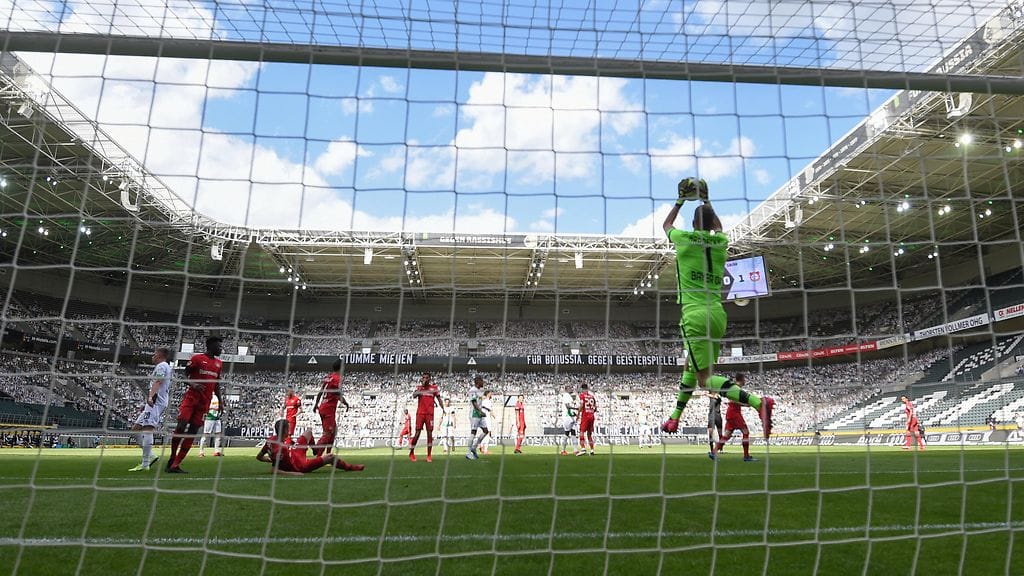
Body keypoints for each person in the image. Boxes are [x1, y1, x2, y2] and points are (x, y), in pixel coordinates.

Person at [659, 178, 775, 438]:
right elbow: (719, 227)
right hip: (718, 315)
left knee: (705, 379)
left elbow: (666, 226)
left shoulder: (684, 239)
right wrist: (706, 200)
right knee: (691, 367)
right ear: (713, 224)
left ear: (693, 224)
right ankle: (675, 418)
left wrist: (680, 200)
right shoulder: (721, 242)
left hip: (694, 315)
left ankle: (758, 402)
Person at [166, 336, 223, 474]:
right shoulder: (197, 359)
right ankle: (172, 457)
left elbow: (216, 384)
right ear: (211, 346)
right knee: (181, 426)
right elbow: (184, 376)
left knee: (193, 431)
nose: (221, 349)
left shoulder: (219, 364)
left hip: (205, 403)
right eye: (219, 346)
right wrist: (193, 384)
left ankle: (176, 464)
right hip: (191, 398)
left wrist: (221, 401)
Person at [256, 419, 363, 474]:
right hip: (300, 465)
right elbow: (274, 470)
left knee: (308, 432)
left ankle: (316, 451)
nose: (289, 430)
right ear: (284, 430)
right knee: (330, 457)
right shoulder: (280, 449)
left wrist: (270, 459)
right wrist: (294, 474)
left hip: (294, 451)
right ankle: (351, 467)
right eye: (288, 428)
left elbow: (259, 457)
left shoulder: (271, 440)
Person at [129, 347, 172, 472]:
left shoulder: (161, 366)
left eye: (154, 354)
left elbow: (158, 381)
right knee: (135, 430)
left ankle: (145, 463)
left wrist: (150, 397)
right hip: (157, 402)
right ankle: (151, 456)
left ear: (160, 356)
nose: (152, 357)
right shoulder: (165, 367)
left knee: (148, 429)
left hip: (156, 402)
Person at [313, 360, 349, 456]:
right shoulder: (337, 378)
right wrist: (345, 402)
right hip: (328, 409)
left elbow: (321, 392)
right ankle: (318, 454)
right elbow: (337, 393)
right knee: (328, 433)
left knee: (334, 431)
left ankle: (328, 454)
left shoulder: (328, 378)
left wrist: (316, 404)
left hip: (323, 407)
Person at [409, 371, 443, 462]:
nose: (425, 379)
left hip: (430, 414)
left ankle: (429, 455)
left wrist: (443, 409)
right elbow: (414, 395)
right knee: (417, 434)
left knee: (429, 434)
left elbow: (439, 399)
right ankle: (411, 452)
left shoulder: (434, 388)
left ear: (429, 379)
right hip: (420, 414)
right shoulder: (419, 388)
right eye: (423, 377)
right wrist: (421, 388)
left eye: (426, 378)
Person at [465, 376, 489, 460]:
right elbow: (474, 403)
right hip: (474, 413)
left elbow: (480, 400)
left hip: (479, 414)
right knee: (473, 432)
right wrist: (480, 411)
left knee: (486, 431)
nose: (483, 382)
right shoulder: (472, 390)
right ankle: (468, 453)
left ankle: (474, 447)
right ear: (478, 382)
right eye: (482, 381)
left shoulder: (481, 390)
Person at [198, 392, 224, 458]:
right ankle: (201, 452)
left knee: (218, 433)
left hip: (217, 416)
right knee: (206, 434)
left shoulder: (217, 396)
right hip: (210, 416)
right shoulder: (207, 396)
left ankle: (216, 451)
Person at [575, 384, 597, 456]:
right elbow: (595, 408)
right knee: (589, 434)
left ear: (582, 389)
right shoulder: (592, 396)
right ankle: (592, 450)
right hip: (592, 416)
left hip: (585, 416)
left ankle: (583, 448)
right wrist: (591, 411)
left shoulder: (582, 395)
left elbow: (581, 405)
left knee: (581, 432)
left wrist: (578, 414)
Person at [557, 386, 577, 456]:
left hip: (571, 416)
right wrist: (576, 408)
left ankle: (575, 450)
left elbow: (570, 407)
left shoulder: (569, 396)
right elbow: (567, 406)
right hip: (567, 416)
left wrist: (574, 413)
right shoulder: (566, 395)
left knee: (573, 432)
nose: (571, 389)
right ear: (566, 389)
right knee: (567, 433)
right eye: (570, 388)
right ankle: (563, 450)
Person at [706, 390, 723, 455]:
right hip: (711, 416)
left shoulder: (718, 396)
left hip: (717, 415)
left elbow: (716, 397)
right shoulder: (711, 397)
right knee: (710, 433)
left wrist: (707, 394)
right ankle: (711, 450)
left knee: (720, 433)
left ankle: (721, 448)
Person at [478, 391, 494, 455]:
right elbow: (490, 410)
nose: (491, 394)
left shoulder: (484, 401)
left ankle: (481, 445)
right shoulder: (487, 401)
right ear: (488, 394)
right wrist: (496, 417)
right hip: (486, 418)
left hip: (484, 418)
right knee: (487, 433)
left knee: (485, 432)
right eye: (490, 393)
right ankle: (485, 450)